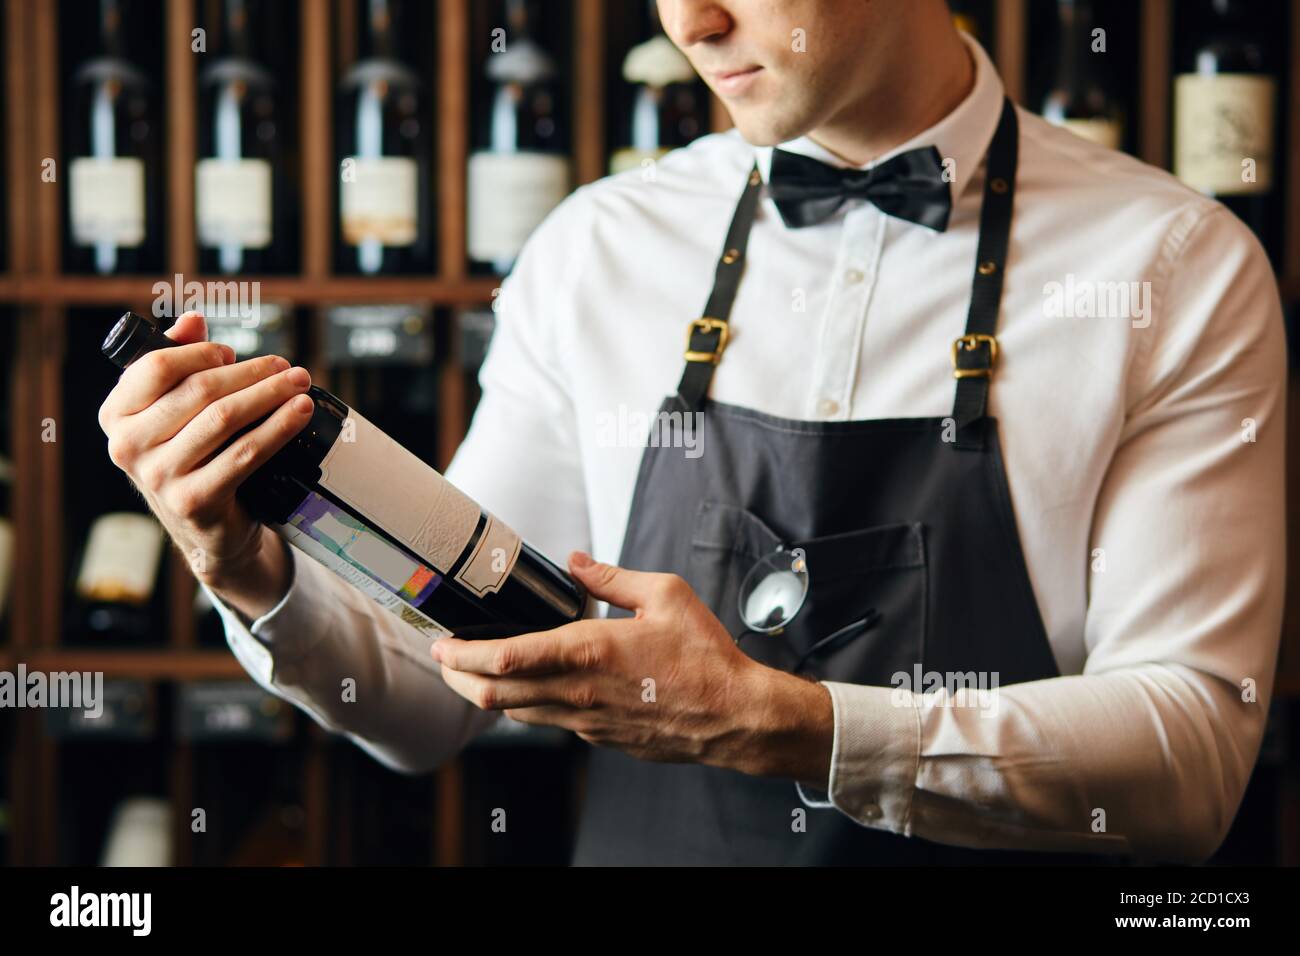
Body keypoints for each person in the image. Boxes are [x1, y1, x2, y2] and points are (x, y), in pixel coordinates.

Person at [98, 0, 1285, 864]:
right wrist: (248, 568)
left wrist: (790, 727)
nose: (693, 23)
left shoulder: (1170, 269)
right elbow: (432, 700)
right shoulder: (597, 248)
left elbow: (1188, 761)